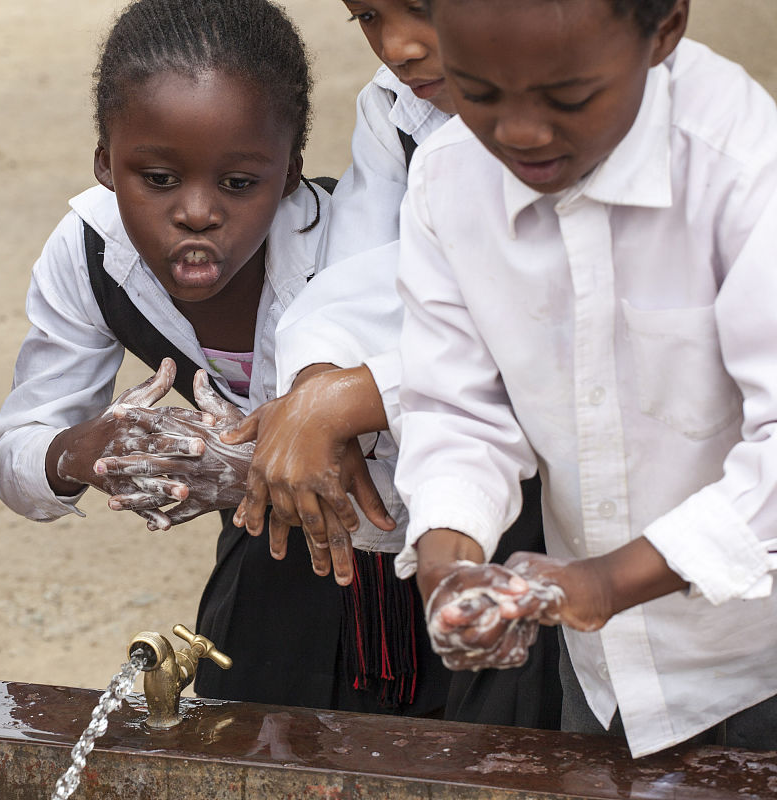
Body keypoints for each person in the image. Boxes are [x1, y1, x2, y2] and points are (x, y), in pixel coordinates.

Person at [0, 0, 446, 715]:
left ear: (291, 171)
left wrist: (235, 467)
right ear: (106, 162)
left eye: (239, 184)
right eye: (159, 179)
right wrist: (89, 451)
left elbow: (422, 455)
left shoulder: (350, 255)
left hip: (435, 567)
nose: (197, 212)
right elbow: (17, 453)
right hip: (272, 577)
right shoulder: (90, 256)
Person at [391, 0, 777, 757]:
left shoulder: (744, 167)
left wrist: (604, 585)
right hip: (602, 677)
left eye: (567, 99)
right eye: (478, 91)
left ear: (664, 29)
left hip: (759, 660)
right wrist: (449, 557)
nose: (520, 132)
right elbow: (457, 408)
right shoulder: (447, 182)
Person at [221, 0, 559, 729]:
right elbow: (365, 278)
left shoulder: (563, 132)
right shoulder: (398, 109)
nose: (399, 46)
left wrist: (348, 400)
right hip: (461, 469)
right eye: (368, 15)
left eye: (424, 8)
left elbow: (536, 326)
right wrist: (316, 386)